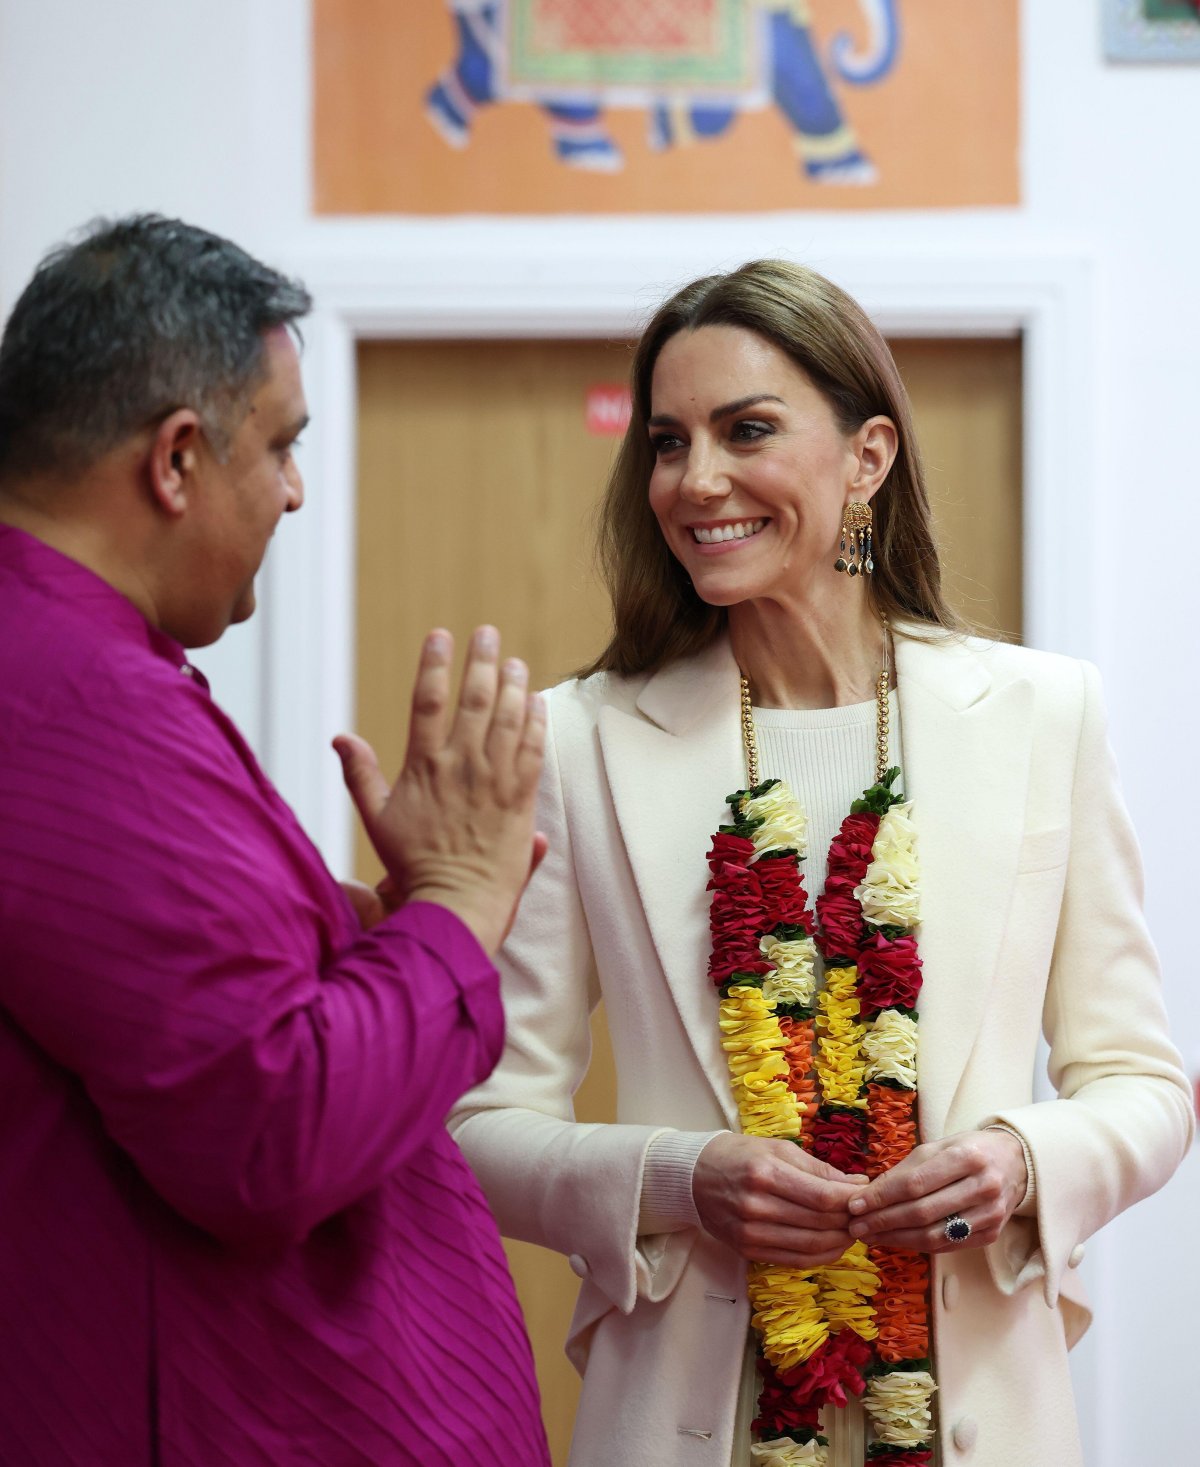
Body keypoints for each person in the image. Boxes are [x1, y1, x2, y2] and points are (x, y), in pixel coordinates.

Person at [448, 259, 1193, 1467]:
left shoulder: (1044, 715)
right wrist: (681, 1180)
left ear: (868, 457)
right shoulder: (579, 740)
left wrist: (1020, 1160)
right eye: (667, 441)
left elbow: (1144, 1088)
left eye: (747, 431)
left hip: (980, 1418)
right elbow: (480, 1127)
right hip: (687, 1421)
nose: (696, 482)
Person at [0, 216, 550, 1466]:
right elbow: (267, 1132)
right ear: (178, 459)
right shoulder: (72, 696)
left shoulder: (81, 660)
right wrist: (458, 907)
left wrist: (375, 930)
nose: (295, 489)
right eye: (284, 445)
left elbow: (169, 1024)